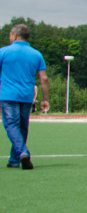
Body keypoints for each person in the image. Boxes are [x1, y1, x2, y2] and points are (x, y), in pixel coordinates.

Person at [1, 24, 49, 170]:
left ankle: (23, 152)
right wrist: (45, 99)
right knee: (22, 127)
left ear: (14, 35)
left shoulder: (3, 52)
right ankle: (14, 160)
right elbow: (44, 79)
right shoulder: (36, 54)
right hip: (27, 96)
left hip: (8, 95)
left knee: (11, 125)